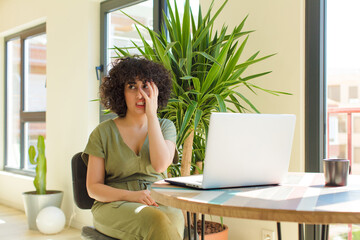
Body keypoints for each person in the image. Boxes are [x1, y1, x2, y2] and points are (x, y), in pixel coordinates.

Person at [82, 57, 184, 240]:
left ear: (156, 89)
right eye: (131, 86)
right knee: (156, 221)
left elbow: (160, 166)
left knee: (171, 218)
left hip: (159, 199)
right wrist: (131, 196)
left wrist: (152, 117)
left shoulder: (165, 127)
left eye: (146, 86)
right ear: (120, 92)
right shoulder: (102, 133)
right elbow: (93, 188)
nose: (140, 95)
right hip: (114, 204)